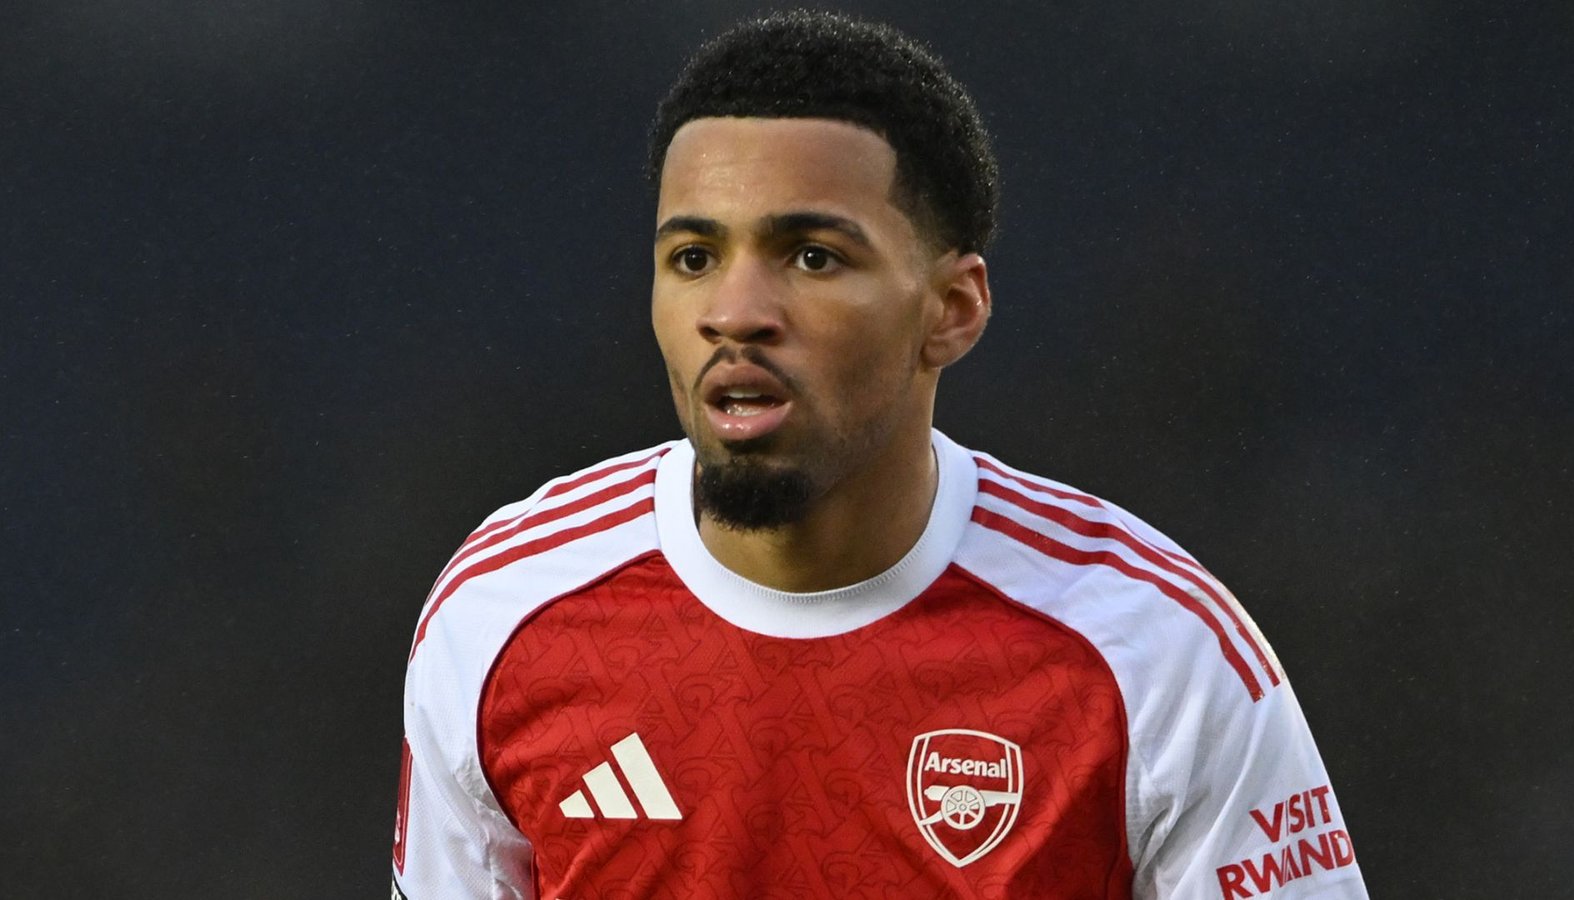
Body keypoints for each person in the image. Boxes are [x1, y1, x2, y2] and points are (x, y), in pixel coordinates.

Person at [391, 11, 1368, 899]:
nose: (734, 312)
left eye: (812, 256)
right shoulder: (504, 611)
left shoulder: (1152, 646)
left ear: (953, 310)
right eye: (693, 258)